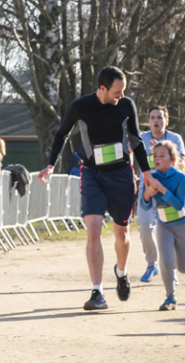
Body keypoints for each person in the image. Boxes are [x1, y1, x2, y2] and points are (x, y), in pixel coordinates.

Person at [38, 66, 153, 311]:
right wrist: (50, 165)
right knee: (93, 231)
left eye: (123, 91)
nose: (120, 96)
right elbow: (61, 134)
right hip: (92, 174)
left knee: (121, 234)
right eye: (116, 91)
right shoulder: (81, 106)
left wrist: (146, 173)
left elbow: (135, 139)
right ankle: (97, 291)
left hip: (121, 175)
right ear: (102, 89)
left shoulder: (126, 106)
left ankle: (121, 272)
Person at [141, 140, 185, 311]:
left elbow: (179, 205)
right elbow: (145, 206)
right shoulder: (151, 178)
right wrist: (147, 195)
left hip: (183, 225)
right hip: (164, 225)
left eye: (162, 156)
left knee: (183, 268)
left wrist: (163, 190)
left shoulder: (181, 178)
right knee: (165, 262)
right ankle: (170, 298)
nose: (157, 159)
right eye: (155, 156)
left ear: (172, 160)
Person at [136, 105, 185, 283]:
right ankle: (152, 265)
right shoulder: (141, 138)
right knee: (144, 226)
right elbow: (126, 153)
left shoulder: (175, 138)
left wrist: (160, 152)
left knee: (170, 229)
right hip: (148, 190)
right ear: (148, 121)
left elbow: (181, 164)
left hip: (168, 190)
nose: (156, 121)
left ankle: (170, 269)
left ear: (166, 120)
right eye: (152, 117)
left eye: (159, 117)